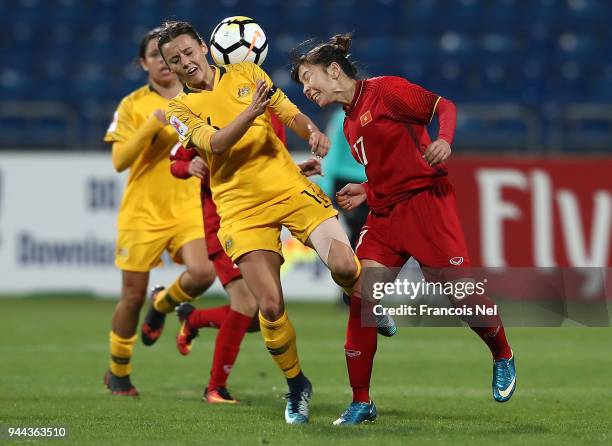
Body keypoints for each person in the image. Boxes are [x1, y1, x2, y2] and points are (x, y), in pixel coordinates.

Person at [291, 34, 516, 425]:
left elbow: (443, 106)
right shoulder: (348, 124)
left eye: (309, 78)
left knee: (462, 296)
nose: (307, 89)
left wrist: (444, 140)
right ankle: (362, 402)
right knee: (361, 296)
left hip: (427, 206)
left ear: (332, 70)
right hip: (385, 215)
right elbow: (388, 168)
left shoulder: (387, 91)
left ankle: (502, 354)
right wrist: (366, 189)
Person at [157, 20, 361, 424]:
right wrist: (251, 111)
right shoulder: (178, 110)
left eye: (188, 52)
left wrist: (313, 130)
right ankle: (297, 386)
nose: (185, 62)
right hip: (240, 210)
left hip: (289, 188)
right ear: (171, 68)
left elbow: (289, 113)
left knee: (345, 266)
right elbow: (215, 144)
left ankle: (368, 301)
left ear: (203, 46)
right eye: (175, 61)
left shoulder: (248, 73)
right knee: (268, 305)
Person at [168, 117, 322, 404]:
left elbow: (265, 172)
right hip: (225, 223)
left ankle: (194, 318)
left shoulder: (271, 115)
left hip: (261, 224)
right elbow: (175, 160)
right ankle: (215, 388)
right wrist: (188, 166)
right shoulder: (207, 111)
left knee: (257, 317)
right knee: (247, 305)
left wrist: (297, 171)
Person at [102, 27, 216, 396]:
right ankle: (118, 372)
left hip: (188, 205)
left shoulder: (200, 96)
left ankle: (163, 303)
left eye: (166, 56)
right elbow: (120, 160)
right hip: (143, 211)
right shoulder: (132, 105)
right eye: (154, 55)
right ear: (143, 63)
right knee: (131, 296)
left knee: (203, 273)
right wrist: (155, 121)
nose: (163, 62)